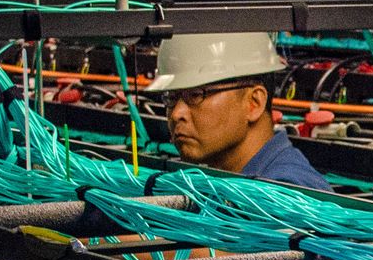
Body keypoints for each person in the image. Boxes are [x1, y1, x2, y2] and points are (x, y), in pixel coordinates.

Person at [142, 33, 332, 192]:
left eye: (196, 95)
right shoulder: (232, 186)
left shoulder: (284, 195)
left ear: (254, 102)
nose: (176, 114)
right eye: (171, 97)